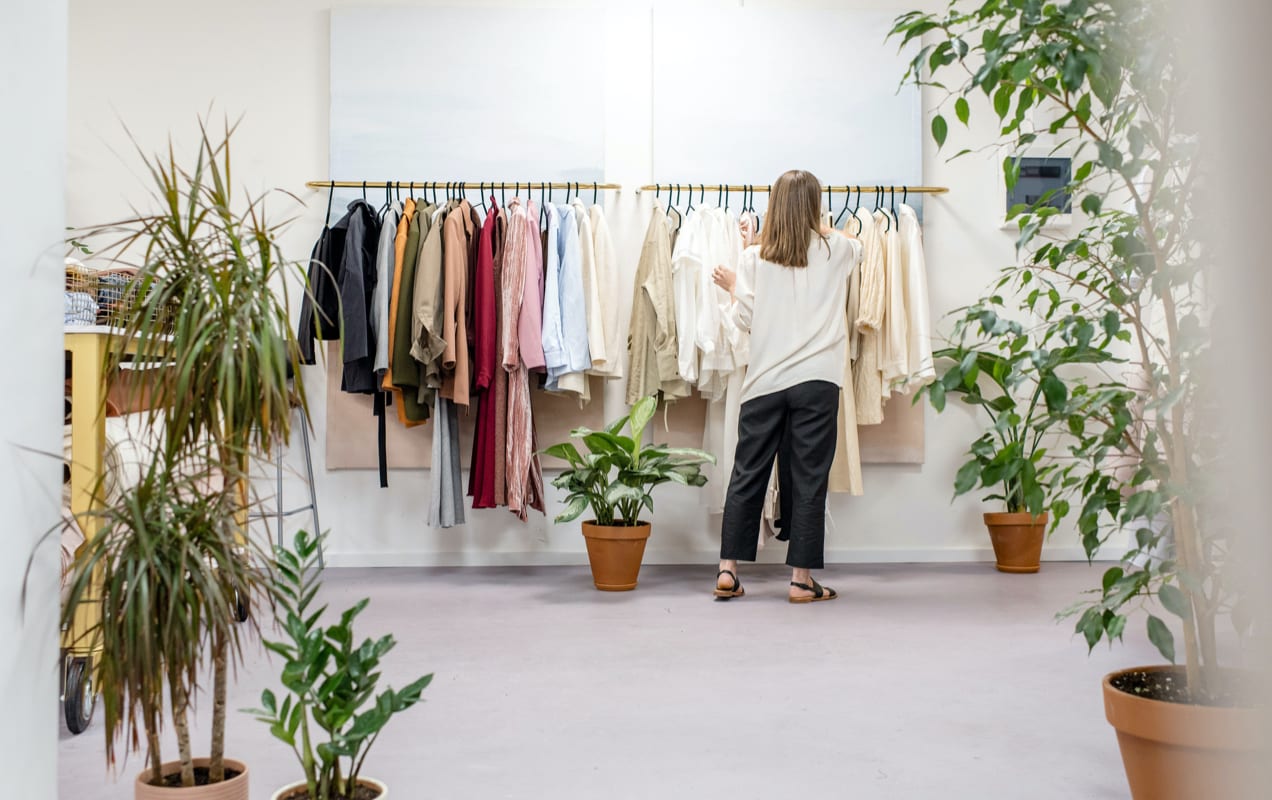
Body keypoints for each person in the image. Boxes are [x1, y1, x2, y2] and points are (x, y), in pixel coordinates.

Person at [710, 169, 860, 603]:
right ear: (816, 206)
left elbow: (745, 320)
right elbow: (859, 249)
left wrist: (738, 288)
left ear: (772, 205)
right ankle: (800, 580)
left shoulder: (753, 258)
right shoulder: (837, 250)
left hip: (765, 381)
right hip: (817, 380)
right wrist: (818, 224)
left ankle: (727, 571)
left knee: (747, 473)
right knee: (809, 478)